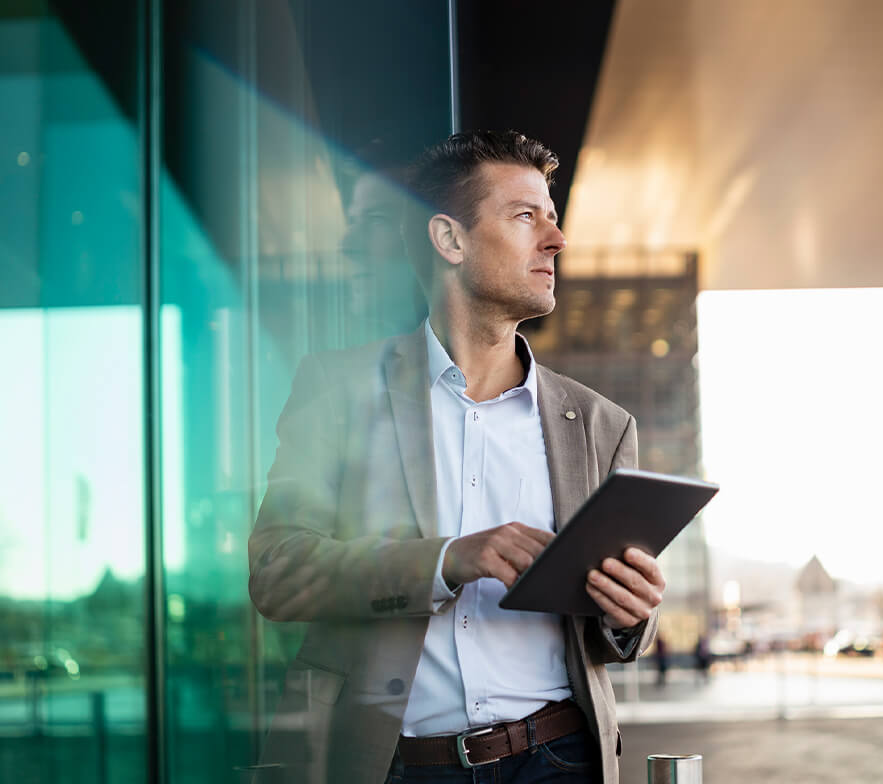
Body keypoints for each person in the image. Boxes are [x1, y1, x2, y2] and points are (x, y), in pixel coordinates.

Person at [248, 130, 665, 784]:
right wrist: (446, 560)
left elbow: (614, 643)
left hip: (559, 760)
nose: (555, 241)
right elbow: (276, 571)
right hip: (394, 765)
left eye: (552, 221)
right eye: (526, 217)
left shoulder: (600, 425)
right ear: (450, 240)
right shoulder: (336, 391)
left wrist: (628, 614)